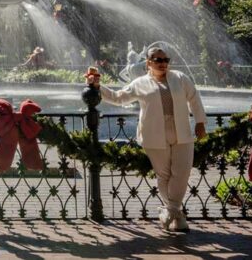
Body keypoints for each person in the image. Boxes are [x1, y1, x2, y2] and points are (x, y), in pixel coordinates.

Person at [86, 47, 207, 232]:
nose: (162, 63)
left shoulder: (180, 78)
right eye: (157, 59)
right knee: (164, 175)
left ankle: (170, 212)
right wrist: (97, 87)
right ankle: (177, 217)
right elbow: (119, 98)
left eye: (165, 59)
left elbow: (194, 98)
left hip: (181, 132)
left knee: (182, 173)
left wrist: (200, 122)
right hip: (153, 134)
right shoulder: (140, 83)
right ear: (148, 62)